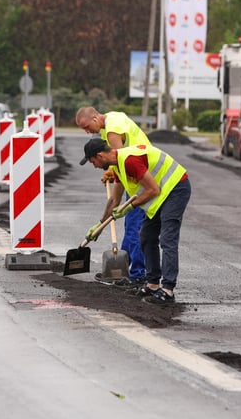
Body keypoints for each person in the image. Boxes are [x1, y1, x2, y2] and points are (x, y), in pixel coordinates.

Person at [80, 138, 191, 305]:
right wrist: (100, 224)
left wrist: (130, 206)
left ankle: (168, 290)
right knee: (146, 236)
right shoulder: (117, 166)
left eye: (92, 161)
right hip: (162, 194)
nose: (94, 165)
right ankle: (153, 284)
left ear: (100, 155)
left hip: (176, 188)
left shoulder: (129, 161)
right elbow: (114, 200)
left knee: (168, 239)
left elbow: (153, 189)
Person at [75, 107, 150, 286]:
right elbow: (118, 168)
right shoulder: (114, 118)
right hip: (136, 175)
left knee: (134, 228)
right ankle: (123, 268)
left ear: (94, 118)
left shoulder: (112, 129)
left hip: (142, 178)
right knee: (130, 224)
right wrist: (100, 225)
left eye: (86, 127)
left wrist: (111, 170)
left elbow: (119, 157)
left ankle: (138, 274)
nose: (87, 132)